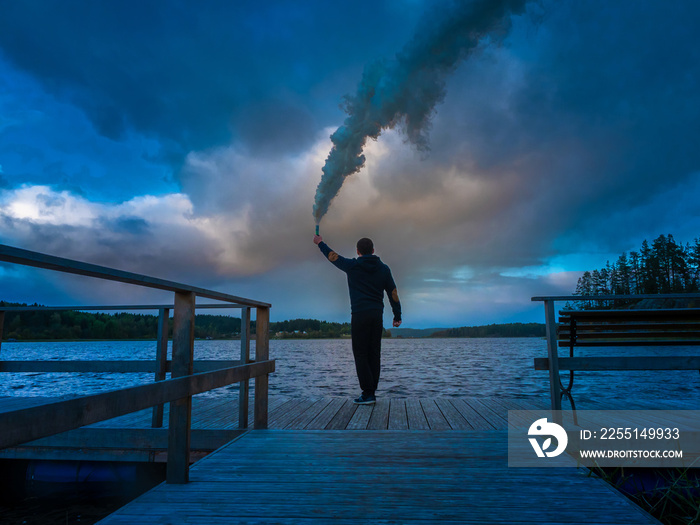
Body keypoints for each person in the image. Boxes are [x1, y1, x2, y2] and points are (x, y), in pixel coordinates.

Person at [313, 234, 402, 405]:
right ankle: (371, 392)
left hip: (360, 315)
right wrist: (397, 315)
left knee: (360, 353)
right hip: (377, 316)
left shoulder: (352, 265)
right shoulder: (384, 269)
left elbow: (333, 257)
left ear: (358, 251)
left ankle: (367, 393)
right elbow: (393, 293)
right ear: (373, 251)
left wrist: (320, 243)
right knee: (374, 353)